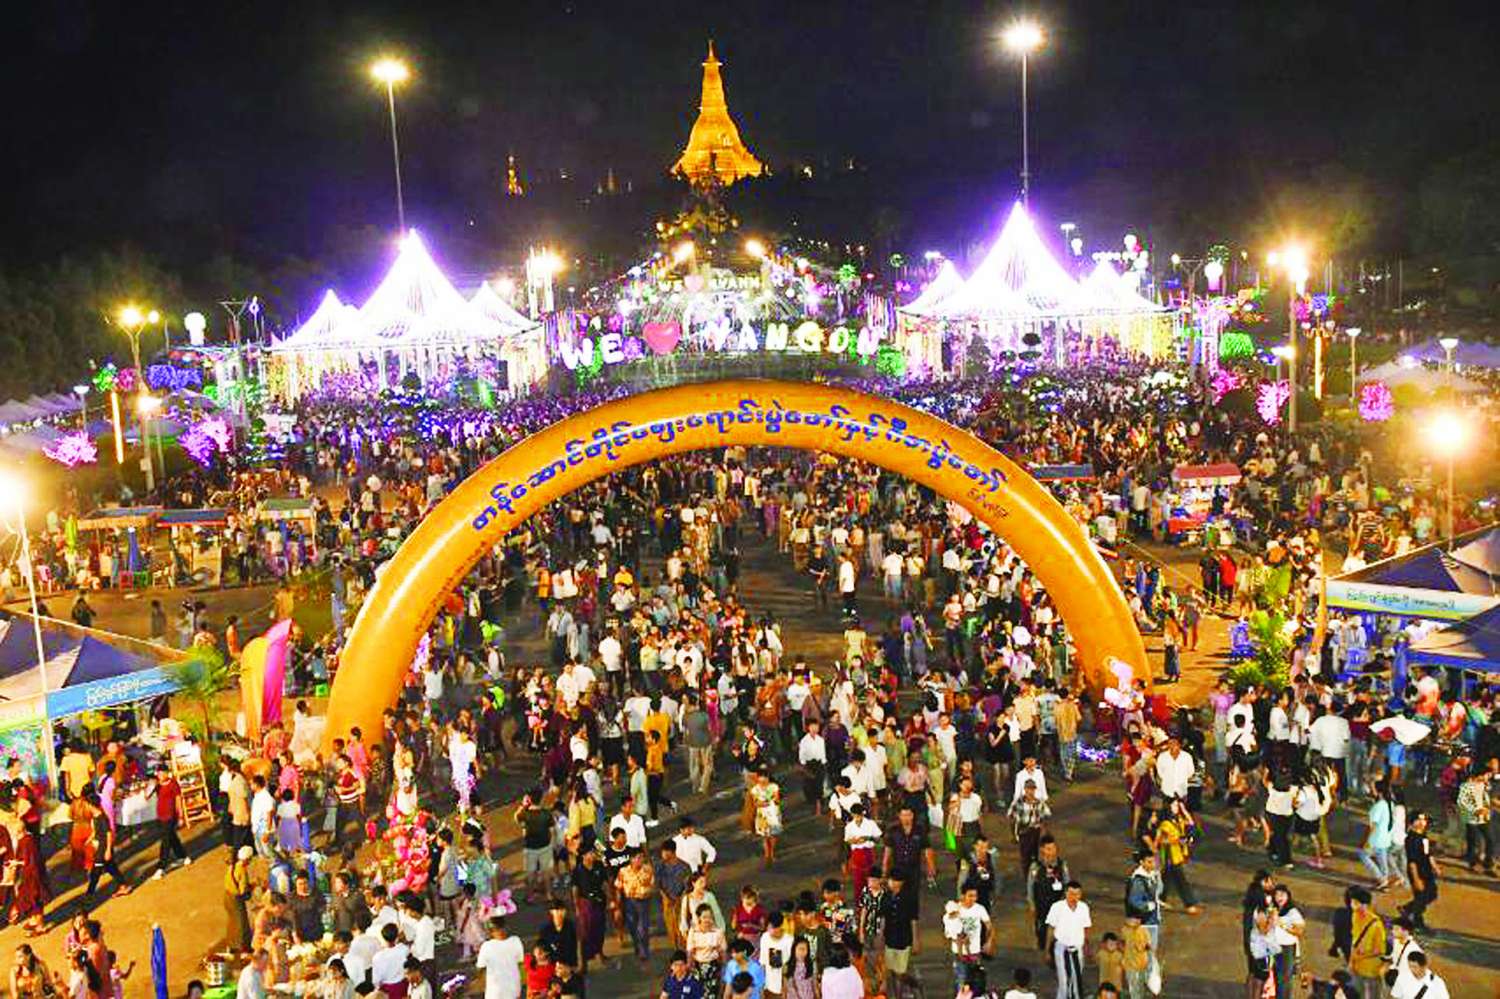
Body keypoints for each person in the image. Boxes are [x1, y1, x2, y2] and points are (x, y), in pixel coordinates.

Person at [1044, 881, 1090, 999]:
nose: (1073, 897)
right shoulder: (1057, 907)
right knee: (1063, 981)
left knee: (1076, 980)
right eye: (1071, 894)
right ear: (1066, 893)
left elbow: (1086, 928)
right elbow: (1050, 929)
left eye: (1077, 894)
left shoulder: (1083, 908)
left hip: (1077, 949)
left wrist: (1086, 947)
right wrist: (1047, 950)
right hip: (1062, 948)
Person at [1400, 811, 1439, 931]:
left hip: (1426, 870)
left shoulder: (1424, 837)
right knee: (1422, 895)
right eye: (1418, 820)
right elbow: (1412, 860)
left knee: (1431, 893)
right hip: (1417, 870)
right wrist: (1416, 878)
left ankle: (1409, 910)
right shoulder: (1411, 839)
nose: (1422, 823)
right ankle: (1415, 918)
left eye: (1424, 820)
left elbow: (1428, 854)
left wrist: (1434, 866)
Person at [476, 916, 524, 999]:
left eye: (501, 928)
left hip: (511, 989)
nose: (500, 931)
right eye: (496, 929)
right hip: (496, 990)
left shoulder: (515, 941)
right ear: (491, 932)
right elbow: (480, 968)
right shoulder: (486, 946)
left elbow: (520, 963)